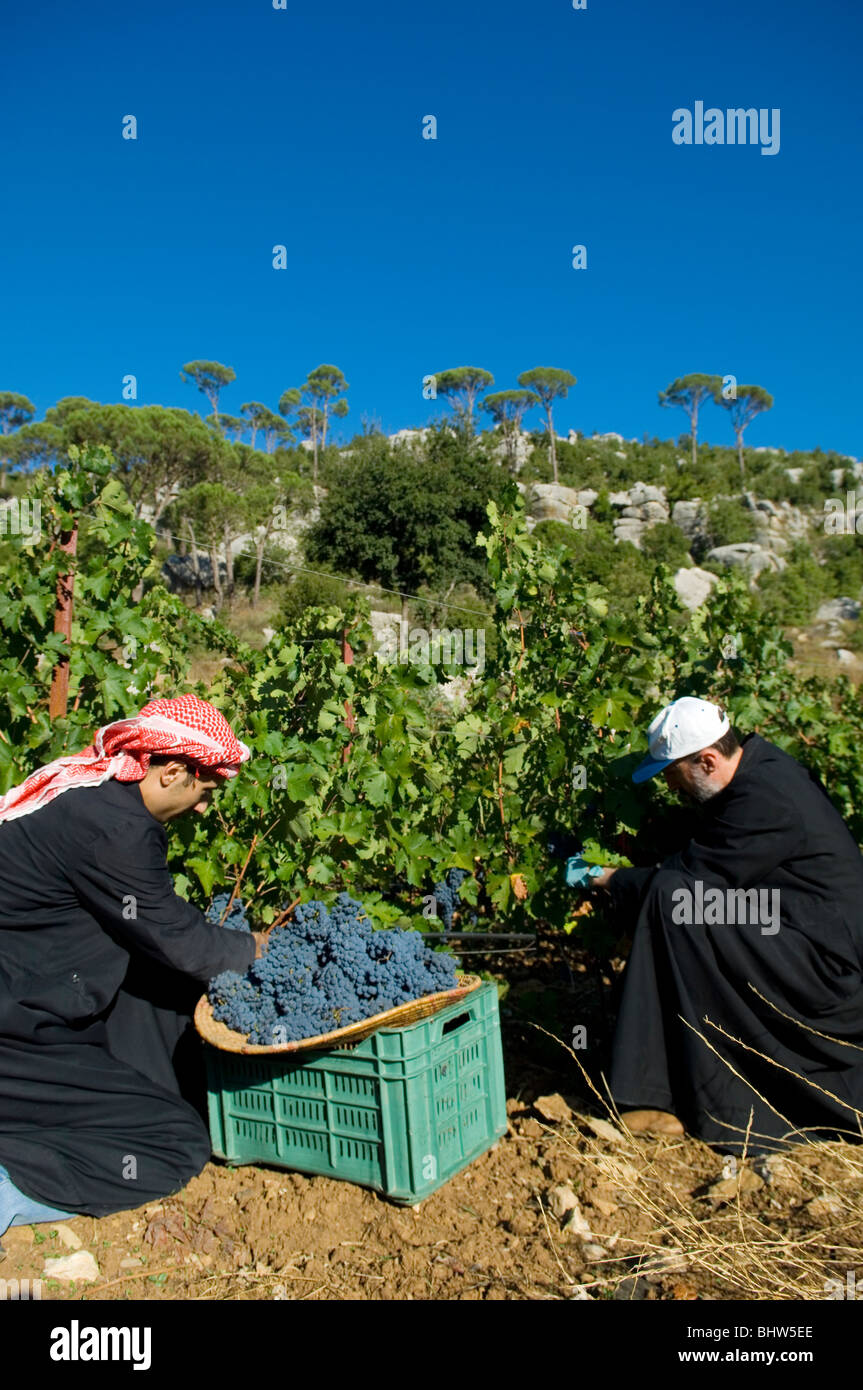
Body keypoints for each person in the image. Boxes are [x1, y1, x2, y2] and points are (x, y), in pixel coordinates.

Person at [0, 694, 265, 1249]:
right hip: (15, 1027)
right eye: (203, 791)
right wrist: (261, 951)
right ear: (172, 771)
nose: (201, 808)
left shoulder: (98, 794)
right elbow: (181, 940)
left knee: (164, 1001)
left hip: (30, 984)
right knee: (173, 1144)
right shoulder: (114, 829)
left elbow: (150, 927)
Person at [588, 696, 863, 1153]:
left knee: (671, 900)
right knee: (679, 902)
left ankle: (674, 1098)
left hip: (828, 973)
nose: (671, 788)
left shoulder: (765, 800)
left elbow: (690, 880)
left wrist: (609, 878)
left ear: (708, 760)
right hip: (807, 936)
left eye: (672, 774)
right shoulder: (761, 767)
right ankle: (664, 1082)